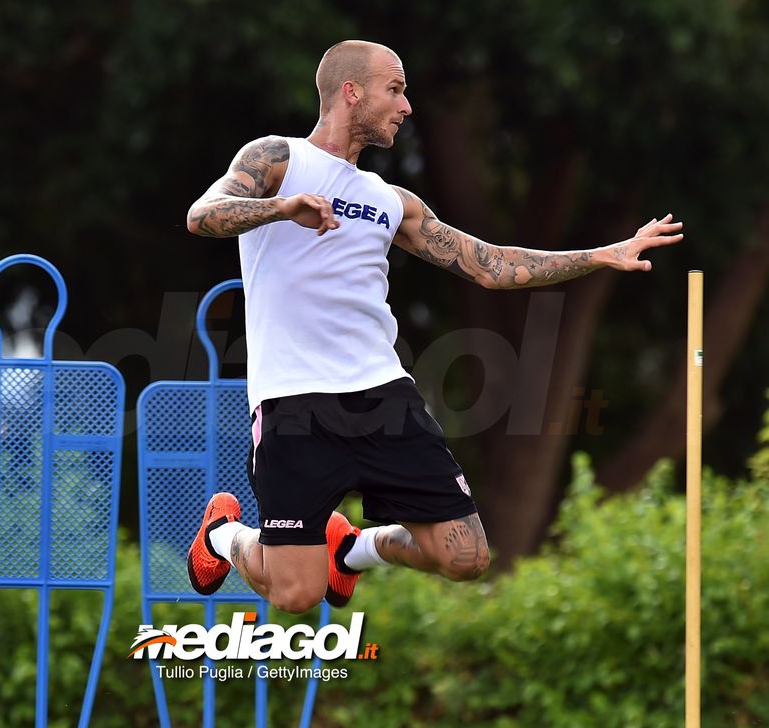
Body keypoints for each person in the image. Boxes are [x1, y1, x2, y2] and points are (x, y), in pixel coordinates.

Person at [183, 40, 683, 614]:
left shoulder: (392, 201)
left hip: (380, 393)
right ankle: (223, 535)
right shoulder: (278, 158)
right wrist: (282, 206)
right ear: (352, 93)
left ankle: (352, 550)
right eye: (394, 89)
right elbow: (203, 216)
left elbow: (491, 265)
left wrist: (603, 254)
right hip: (294, 399)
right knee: (297, 593)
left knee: (466, 557)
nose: (407, 105)